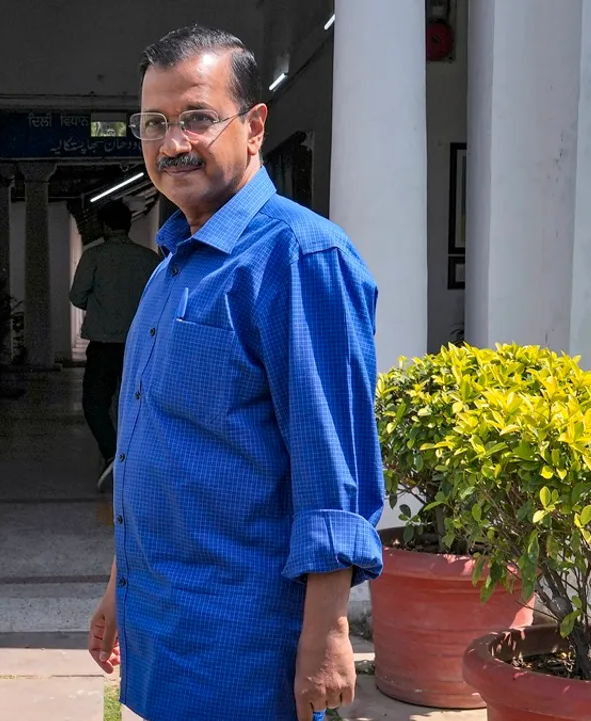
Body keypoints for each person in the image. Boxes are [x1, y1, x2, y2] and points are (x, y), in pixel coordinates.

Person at [85, 25, 385, 721]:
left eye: (195, 117)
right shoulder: (172, 267)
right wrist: (116, 586)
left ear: (253, 126)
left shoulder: (301, 259)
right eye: (153, 123)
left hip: (247, 642)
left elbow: (330, 465)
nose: (171, 142)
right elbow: (155, 446)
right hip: (162, 620)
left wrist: (328, 633)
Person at [69, 199, 162, 492]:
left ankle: (112, 451)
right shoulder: (149, 259)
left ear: (105, 226)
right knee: (141, 403)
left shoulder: (94, 257)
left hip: (104, 342)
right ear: (128, 224)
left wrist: (101, 306)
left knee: (96, 402)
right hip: (142, 344)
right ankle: (141, 460)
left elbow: (76, 296)